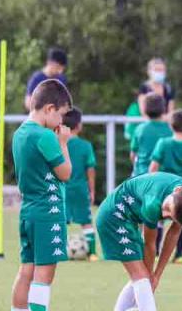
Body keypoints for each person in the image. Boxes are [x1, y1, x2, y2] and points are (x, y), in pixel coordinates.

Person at [97, 172, 182, 311]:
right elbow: (150, 244)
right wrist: (149, 277)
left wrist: (157, 276)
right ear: (177, 190)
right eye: (168, 210)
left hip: (129, 221)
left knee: (141, 277)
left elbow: (173, 235)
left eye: (171, 217)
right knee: (141, 276)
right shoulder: (153, 205)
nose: (164, 215)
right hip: (113, 217)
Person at [10, 79, 73, 311]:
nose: (61, 122)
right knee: (44, 275)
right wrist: (64, 143)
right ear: (49, 109)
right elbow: (65, 173)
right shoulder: (45, 136)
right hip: (49, 212)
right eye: (60, 115)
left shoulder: (19, 134)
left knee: (26, 270)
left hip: (28, 211)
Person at [149, 110, 182, 263]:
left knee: (158, 220)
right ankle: (178, 255)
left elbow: (153, 166)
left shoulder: (163, 143)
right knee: (180, 222)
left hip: (163, 189)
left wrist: (151, 185)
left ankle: (156, 252)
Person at [61, 107, 99, 261]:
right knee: (86, 222)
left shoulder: (58, 144)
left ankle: (59, 252)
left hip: (62, 188)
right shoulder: (85, 146)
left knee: (60, 221)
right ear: (79, 125)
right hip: (80, 189)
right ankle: (92, 253)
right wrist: (92, 190)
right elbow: (90, 170)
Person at [130, 93, 173, 177]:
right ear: (163, 109)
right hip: (165, 176)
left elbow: (133, 154)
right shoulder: (170, 129)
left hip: (142, 175)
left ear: (145, 109)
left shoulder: (140, 129)